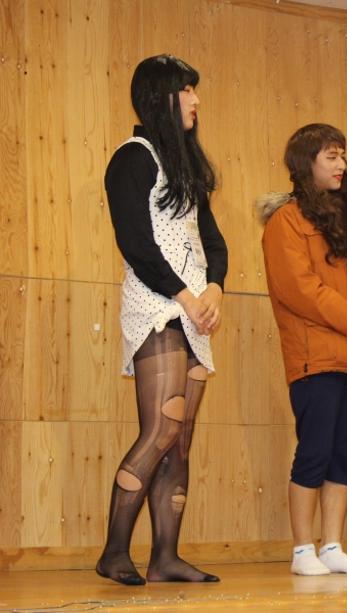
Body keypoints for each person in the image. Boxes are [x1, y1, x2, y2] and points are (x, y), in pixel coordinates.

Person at [97, 54, 227, 585]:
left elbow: (212, 241)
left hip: (194, 312)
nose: (195, 100)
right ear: (160, 98)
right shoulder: (132, 158)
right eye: (186, 91)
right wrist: (184, 296)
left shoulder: (185, 166)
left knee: (181, 440)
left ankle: (165, 557)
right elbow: (136, 243)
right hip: (157, 308)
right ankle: (114, 552)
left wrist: (214, 288)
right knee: (161, 428)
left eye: (195, 90)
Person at [260, 123, 347, 576]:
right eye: (331, 156)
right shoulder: (286, 221)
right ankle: (303, 550)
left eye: (342, 155)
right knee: (314, 451)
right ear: (306, 163)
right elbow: (301, 290)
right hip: (314, 356)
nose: (341, 164)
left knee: (344, 453)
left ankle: (332, 545)